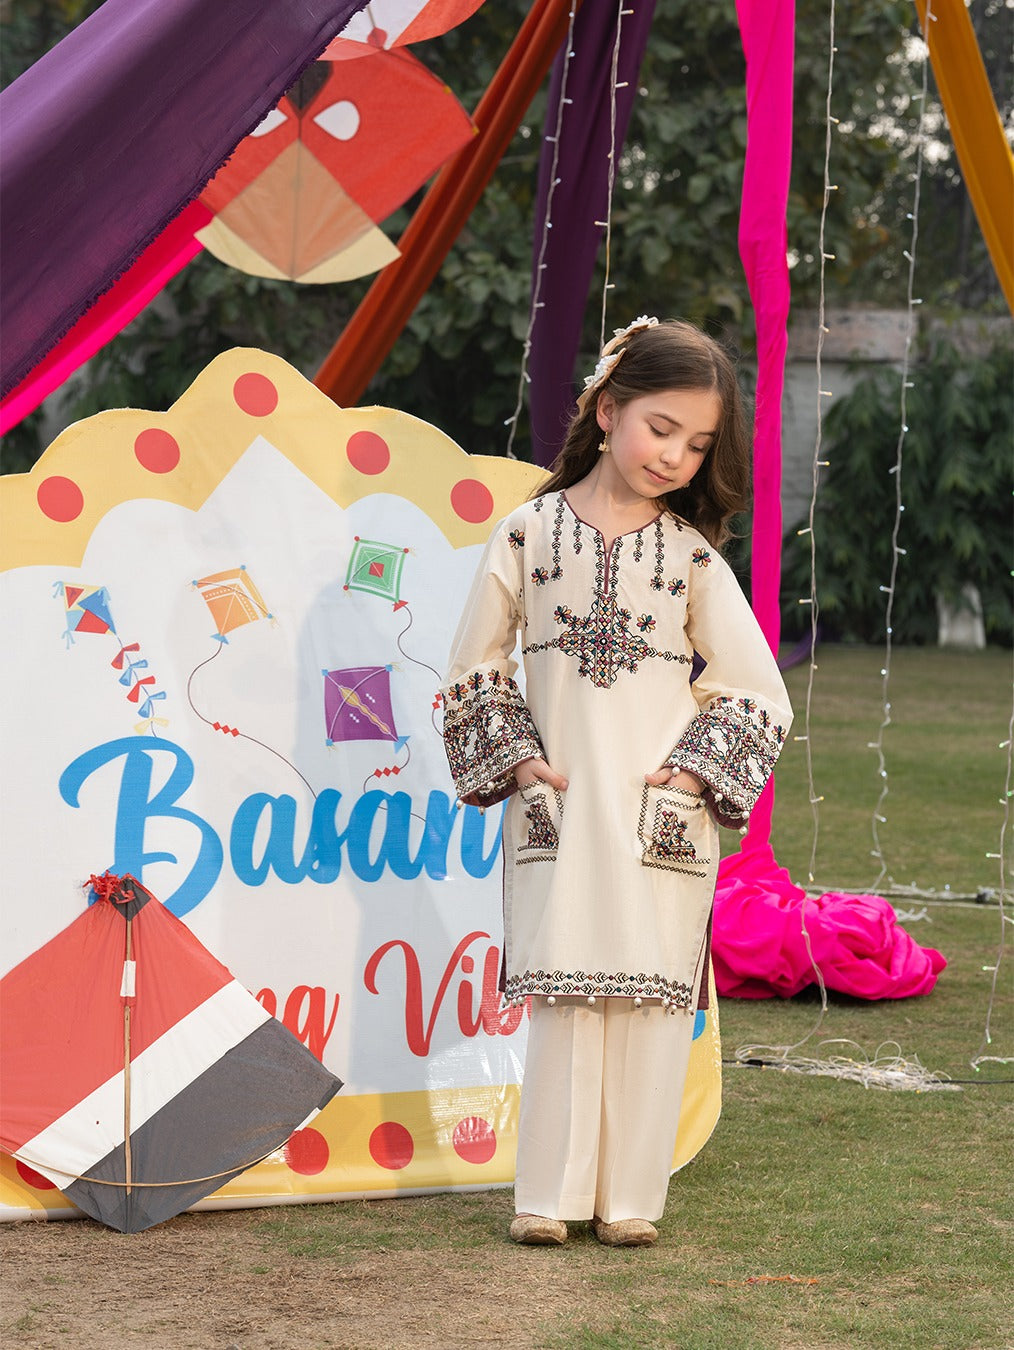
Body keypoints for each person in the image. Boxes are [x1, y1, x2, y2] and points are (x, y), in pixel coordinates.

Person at [439, 316, 792, 1247]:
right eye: (661, 428)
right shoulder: (527, 533)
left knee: (648, 995)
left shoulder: (691, 557)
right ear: (606, 410)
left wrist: (695, 771)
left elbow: (757, 689)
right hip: (559, 800)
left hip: (660, 811)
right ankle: (545, 1198)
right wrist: (516, 757)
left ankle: (631, 1199)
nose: (675, 456)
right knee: (564, 992)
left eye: (698, 444)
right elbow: (474, 665)